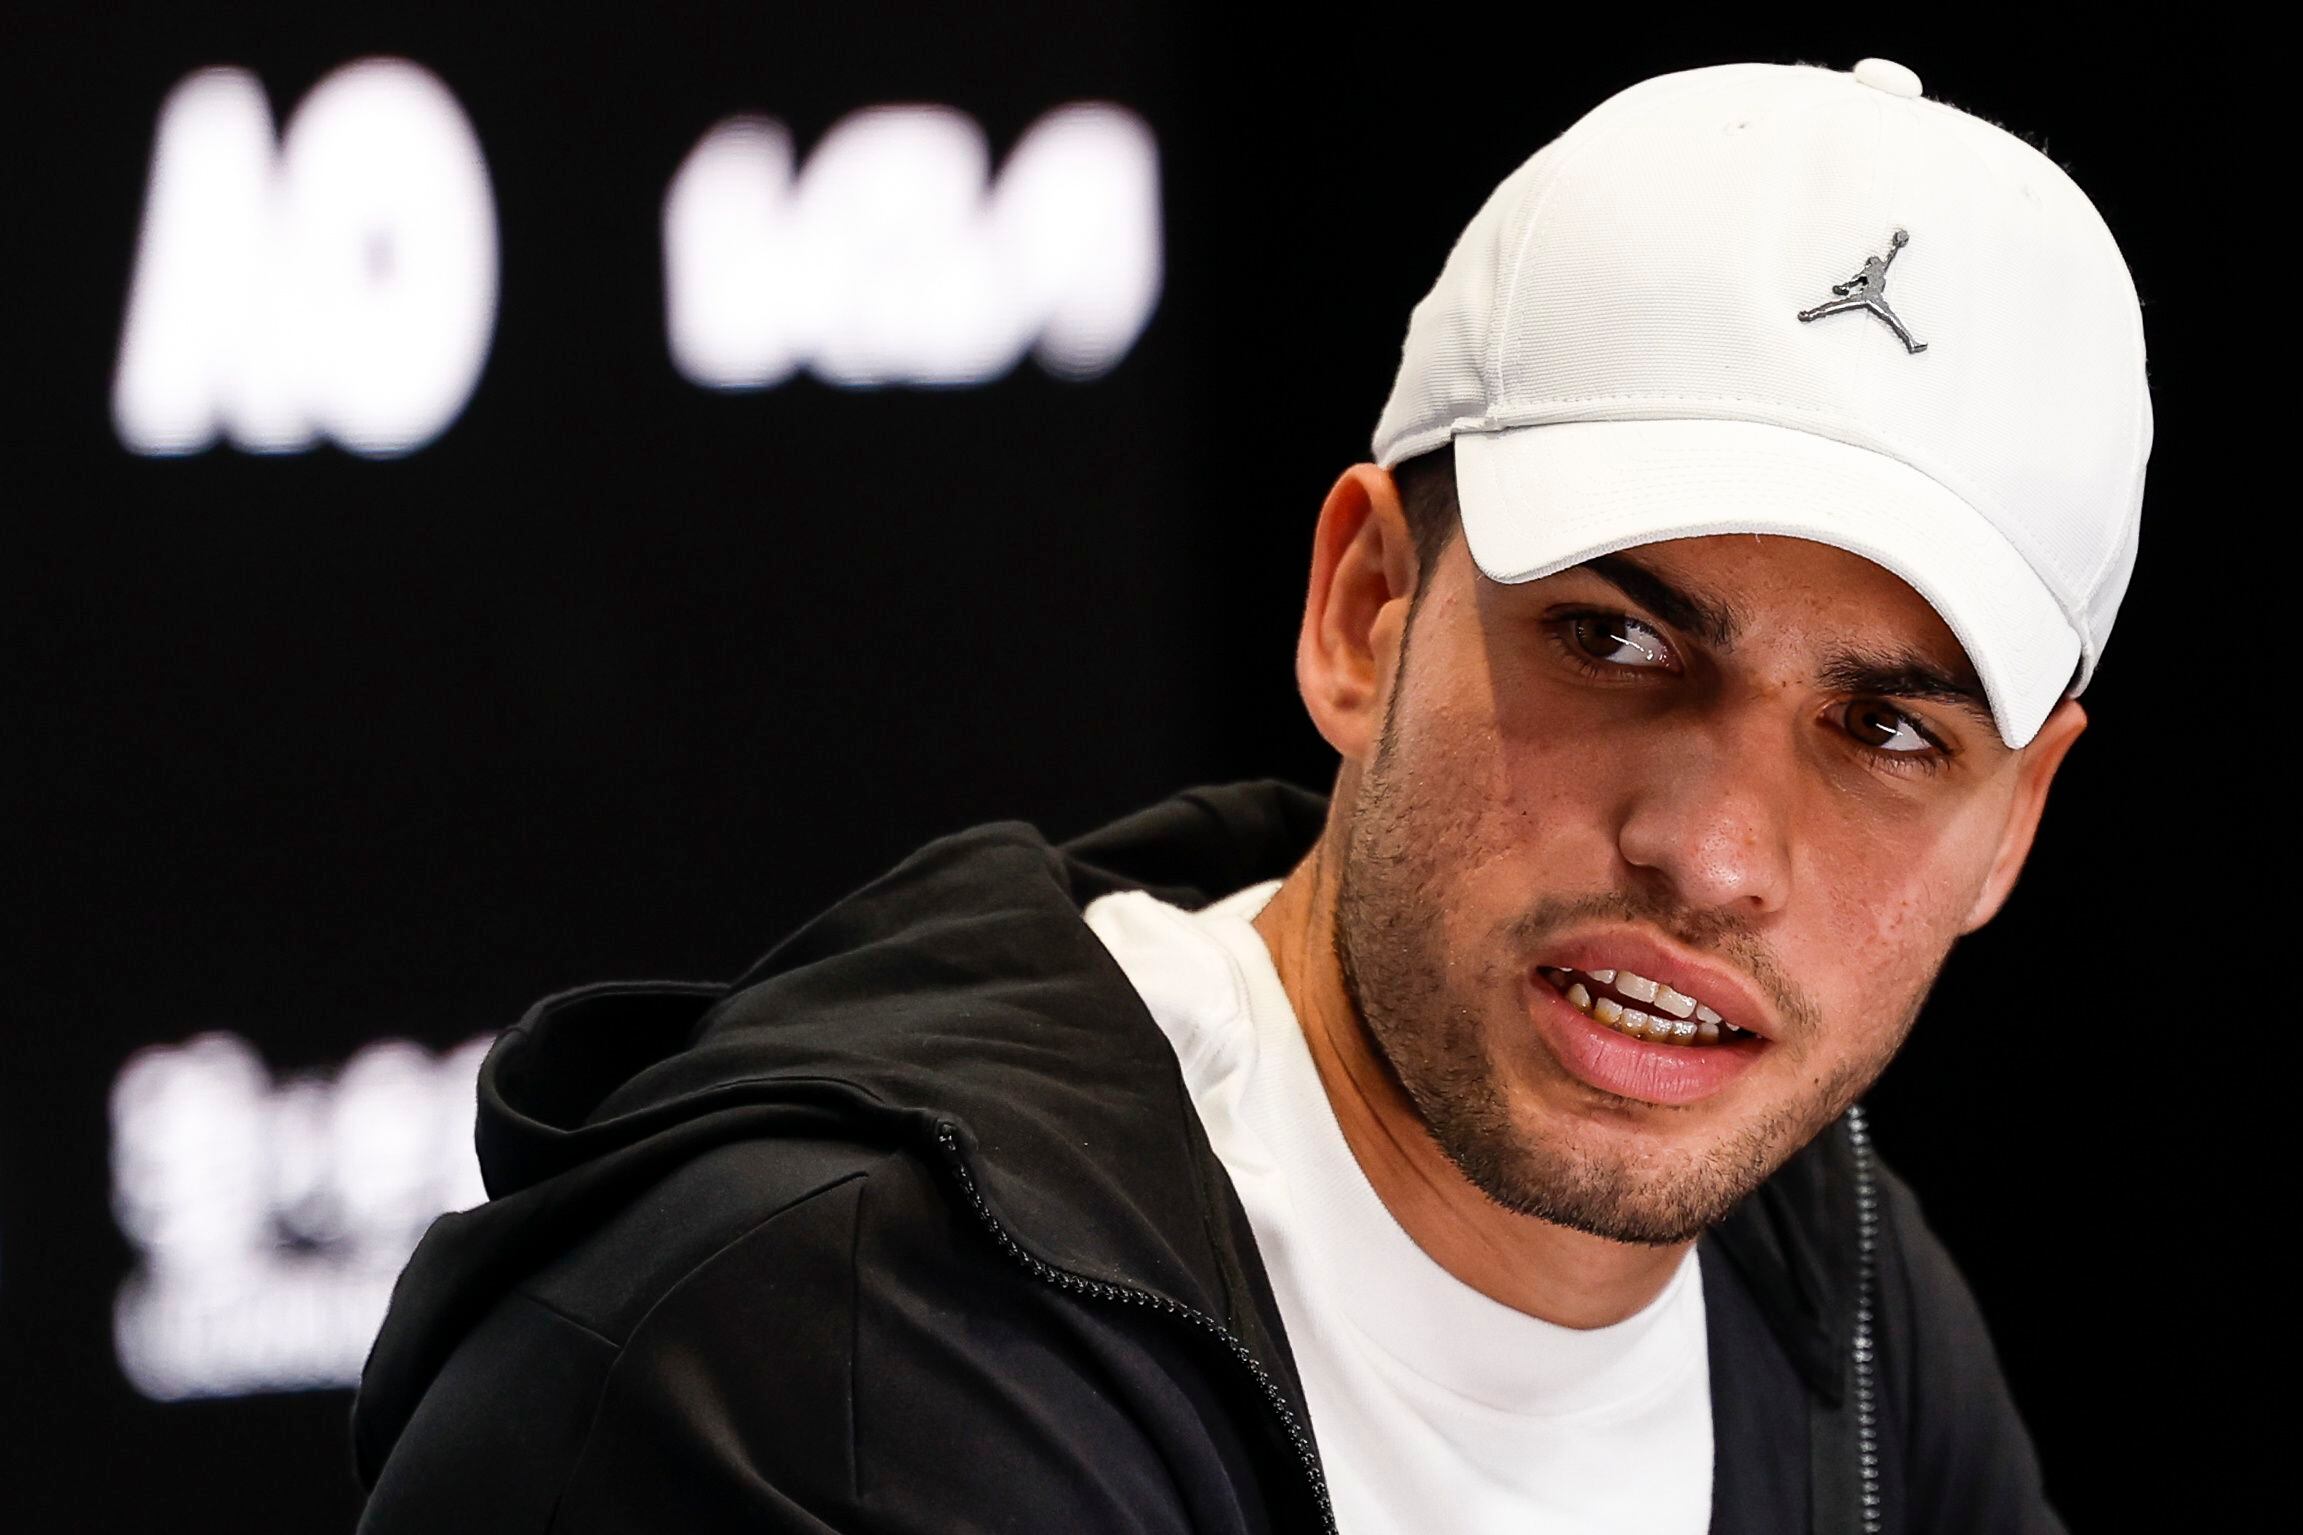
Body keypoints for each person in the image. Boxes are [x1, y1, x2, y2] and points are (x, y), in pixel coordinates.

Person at [350, 55, 2147, 1534]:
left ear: (2017, 826)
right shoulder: (832, 1365)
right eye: (1611, 642)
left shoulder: (1823, 1275)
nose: (1716, 851)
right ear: (1366, 609)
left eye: (1889, 734)